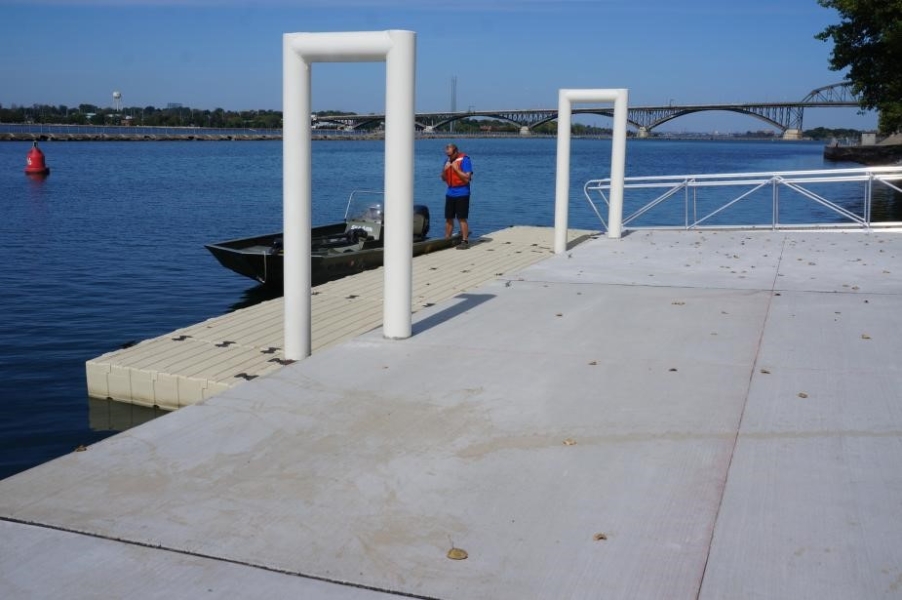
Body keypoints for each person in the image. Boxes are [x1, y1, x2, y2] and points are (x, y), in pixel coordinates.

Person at [440, 143, 473, 249]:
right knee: (448, 217)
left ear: (456, 151)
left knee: (461, 218)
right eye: (447, 155)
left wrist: (456, 169)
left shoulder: (465, 160)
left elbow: (467, 178)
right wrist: (444, 170)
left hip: (462, 193)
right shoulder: (447, 161)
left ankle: (465, 241)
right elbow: (443, 178)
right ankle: (447, 238)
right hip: (450, 193)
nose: (448, 157)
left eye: (450, 155)